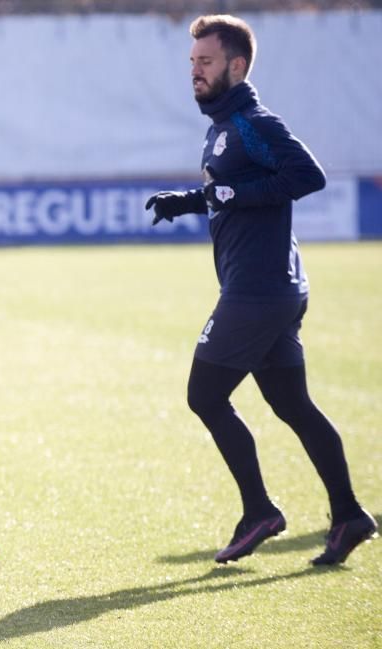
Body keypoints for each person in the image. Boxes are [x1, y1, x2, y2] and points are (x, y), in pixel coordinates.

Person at [146, 14, 376, 566]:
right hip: (270, 289)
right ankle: (348, 515)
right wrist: (188, 200)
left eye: (205, 62)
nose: (195, 72)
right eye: (192, 63)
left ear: (237, 65)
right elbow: (233, 190)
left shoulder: (254, 121)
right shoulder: (222, 126)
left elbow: (307, 177)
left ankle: (260, 511)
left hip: (257, 291)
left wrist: (227, 193)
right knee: (292, 403)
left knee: (204, 396)